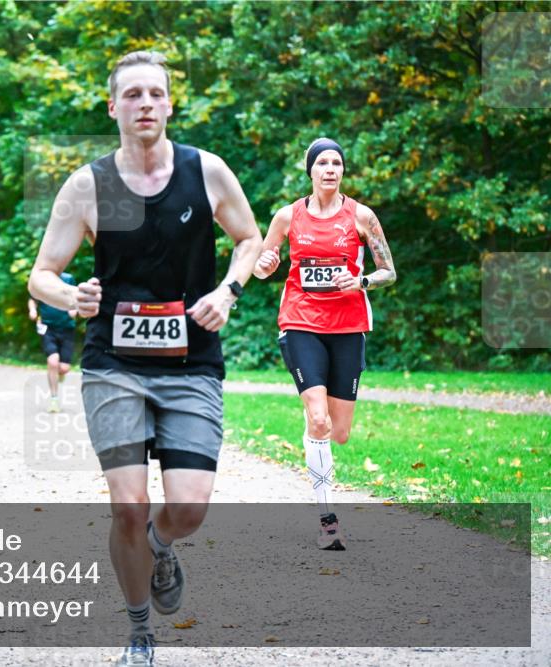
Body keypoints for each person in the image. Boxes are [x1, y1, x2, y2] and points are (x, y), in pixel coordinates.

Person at [28, 51, 261, 666]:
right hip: (113, 367)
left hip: (192, 364)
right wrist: (71, 296)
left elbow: (250, 238)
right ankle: (138, 634)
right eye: (132, 95)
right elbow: (41, 276)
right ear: (113, 108)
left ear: (170, 104)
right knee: (127, 505)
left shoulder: (206, 173)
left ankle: (161, 545)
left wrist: (227, 292)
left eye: (155, 93)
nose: (145, 104)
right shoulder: (88, 185)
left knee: (188, 507)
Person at [252, 137, 396, 550]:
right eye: (322, 163)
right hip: (300, 320)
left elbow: (388, 270)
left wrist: (362, 280)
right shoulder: (287, 216)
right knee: (319, 420)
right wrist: (266, 264)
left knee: (341, 432)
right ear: (310, 170)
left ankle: (316, 437)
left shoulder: (362, 217)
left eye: (337, 163)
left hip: (348, 326)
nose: (330, 169)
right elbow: (264, 267)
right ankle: (328, 518)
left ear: (342, 171)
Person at [28, 272, 78, 413]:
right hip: (47, 328)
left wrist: (74, 309)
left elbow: (75, 298)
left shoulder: (68, 278)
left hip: (67, 328)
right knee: (53, 361)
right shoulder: (42, 280)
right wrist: (32, 310)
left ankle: (59, 373)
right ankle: (54, 399)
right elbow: (32, 299)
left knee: (64, 368)